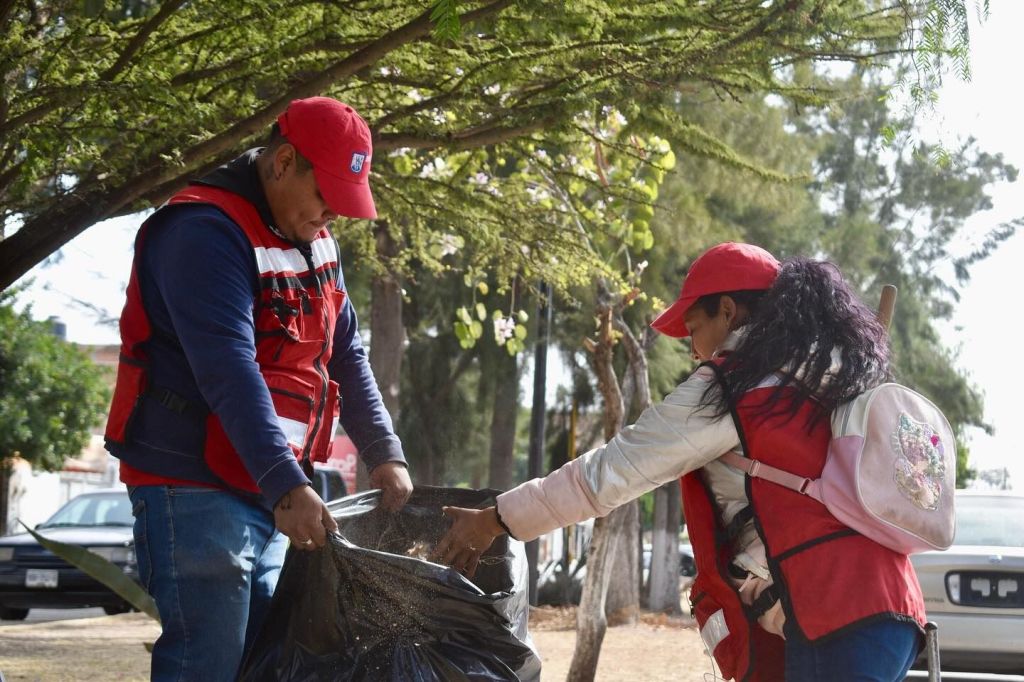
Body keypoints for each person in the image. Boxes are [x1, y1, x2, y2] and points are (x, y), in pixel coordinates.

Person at [433, 242, 926, 682]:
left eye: (694, 329)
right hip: (894, 609)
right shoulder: (834, 369)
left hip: (833, 618)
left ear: (728, 312)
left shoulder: (734, 387)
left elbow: (608, 474)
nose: (693, 350)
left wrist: (497, 519)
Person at [104, 97, 413, 681]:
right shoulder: (202, 232)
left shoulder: (315, 240)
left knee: (263, 667)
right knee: (209, 669)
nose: (333, 216)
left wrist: (383, 451)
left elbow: (345, 350)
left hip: (268, 488)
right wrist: (287, 486)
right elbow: (228, 370)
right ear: (282, 163)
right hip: (194, 488)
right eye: (325, 196)